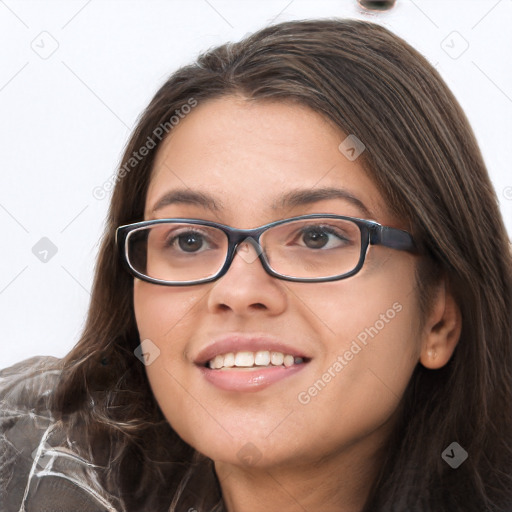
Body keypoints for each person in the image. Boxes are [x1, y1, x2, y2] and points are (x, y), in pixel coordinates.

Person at [1, 18, 511, 512]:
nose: (239, 289)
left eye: (318, 235)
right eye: (190, 239)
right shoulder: (23, 459)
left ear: (440, 317)